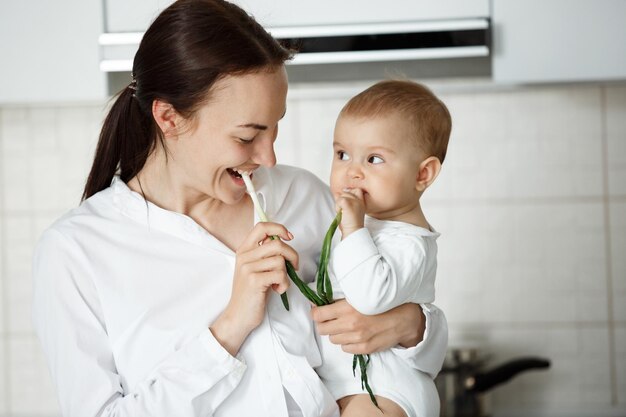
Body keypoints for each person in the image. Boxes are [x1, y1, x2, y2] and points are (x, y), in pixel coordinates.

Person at [31, 1, 448, 416]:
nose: (268, 158)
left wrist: (411, 326)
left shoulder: (305, 196)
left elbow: (400, 348)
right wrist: (231, 325)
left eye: (275, 127)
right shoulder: (76, 252)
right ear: (169, 119)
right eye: (248, 136)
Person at [314, 80, 451, 417]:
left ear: (423, 173)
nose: (351, 171)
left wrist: (352, 228)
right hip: (346, 387)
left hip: (384, 391)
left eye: (374, 159)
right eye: (342, 154)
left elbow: (369, 297)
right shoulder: (359, 224)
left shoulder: (411, 242)